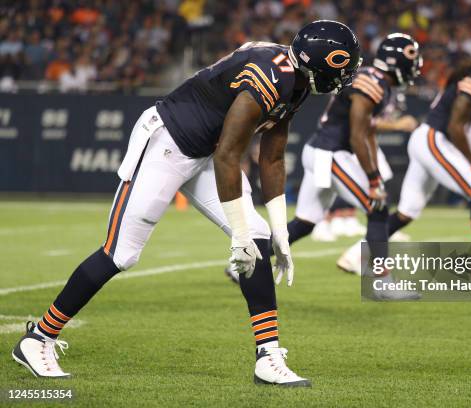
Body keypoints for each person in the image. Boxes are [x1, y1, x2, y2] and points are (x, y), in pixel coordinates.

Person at [12, 20, 361, 387]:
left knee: (259, 236)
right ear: (319, 63)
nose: (344, 78)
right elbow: (230, 154)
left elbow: (271, 157)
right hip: (169, 142)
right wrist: (237, 234)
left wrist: (279, 229)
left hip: (208, 151)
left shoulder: (298, 80)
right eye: (342, 69)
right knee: (122, 252)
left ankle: (268, 356)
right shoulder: (270, 77)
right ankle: (39, 338)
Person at [337, 33, 471, 280]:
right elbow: (456, 127)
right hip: (433, 140)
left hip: (430, 141)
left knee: (407, 212)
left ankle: (356, 254)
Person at [283, 33, 422, 299]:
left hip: (322, 150)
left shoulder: (373, 77)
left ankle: (246, 260)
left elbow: (366, 131)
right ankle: (382, 282)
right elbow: (359, 133)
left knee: (305, 222)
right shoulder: (373, 82)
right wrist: (372, 179)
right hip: (329, 153)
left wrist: (375, 174)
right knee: (378, 207)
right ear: (400, 62)